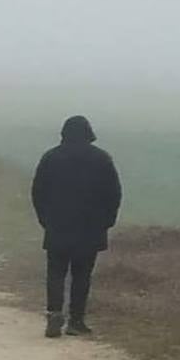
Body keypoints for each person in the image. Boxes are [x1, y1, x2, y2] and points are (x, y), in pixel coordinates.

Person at [31, 115, 122, 338]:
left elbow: (37, 192)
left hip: (58, 225)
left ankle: (54, 313)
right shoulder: (102, 159)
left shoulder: (51, 157)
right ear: (89, 133)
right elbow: (114, 194)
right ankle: (76, 321)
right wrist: (107, 221)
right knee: (82, 275)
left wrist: (44, 219)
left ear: (64, 133)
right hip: (90, 227)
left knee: (55, 272)